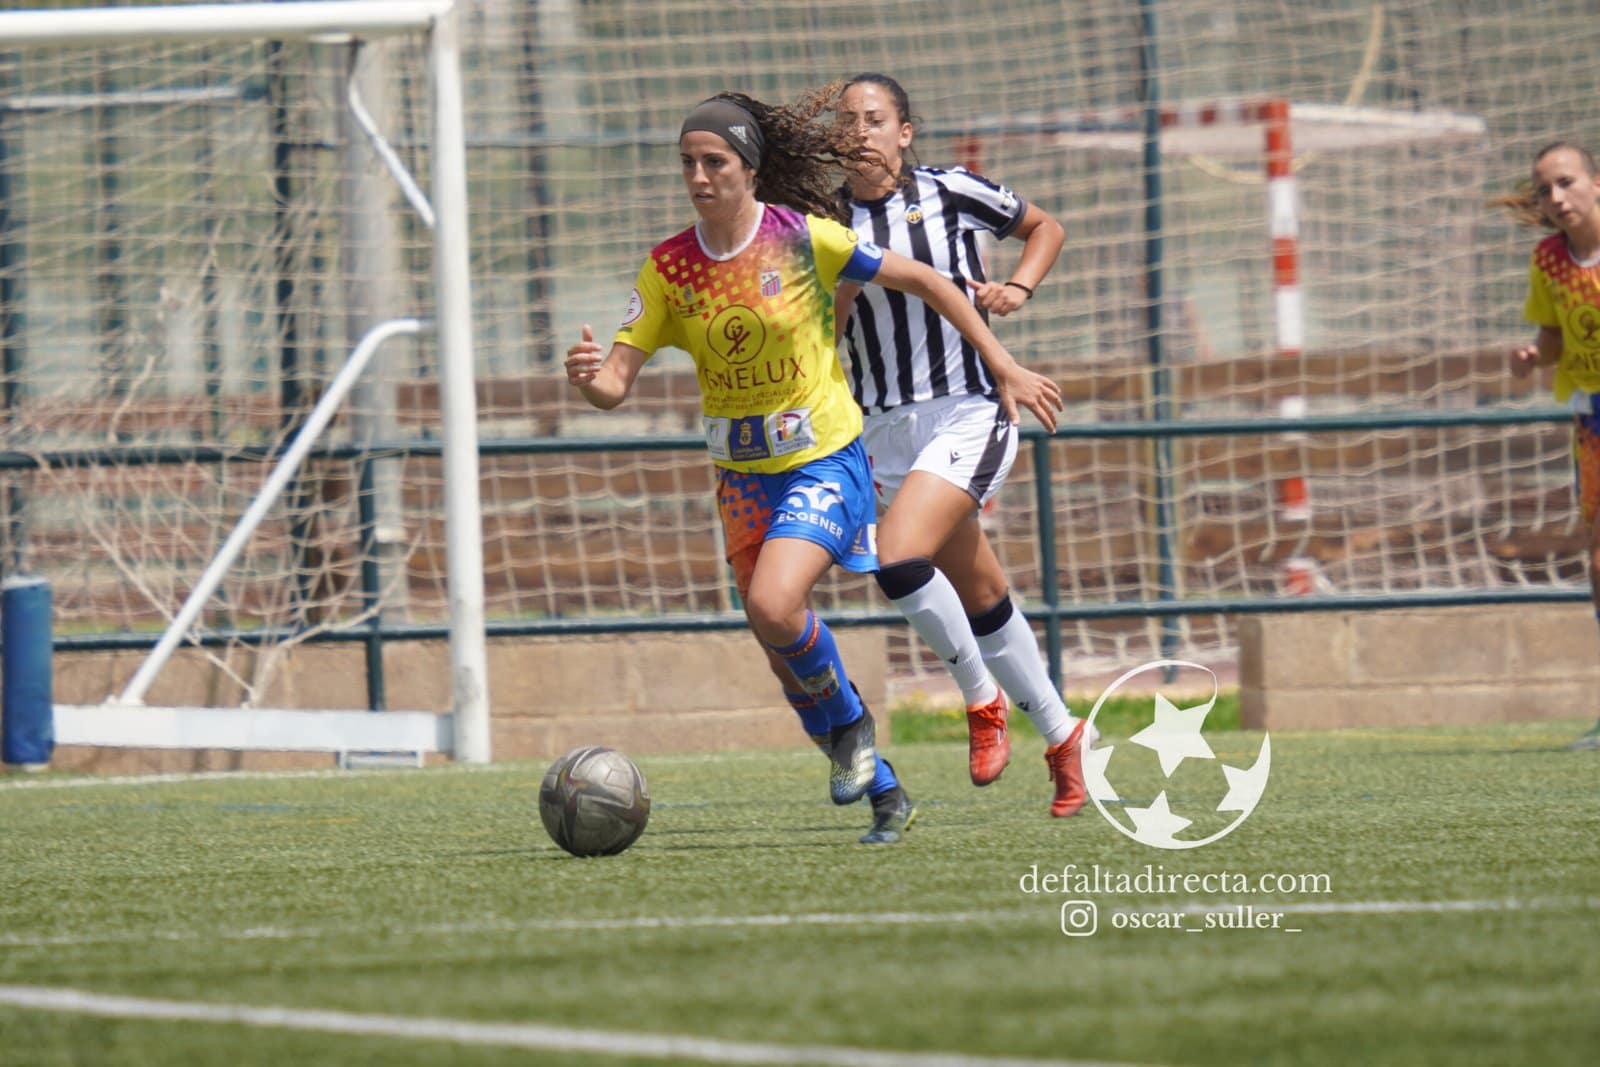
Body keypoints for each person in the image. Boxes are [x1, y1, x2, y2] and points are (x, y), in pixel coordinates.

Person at [564, 89, 1064, 842]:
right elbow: (613, 385)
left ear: (750, 168)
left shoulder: (804, 239)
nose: (698, 177)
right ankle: (885, 791)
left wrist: (1003, 364)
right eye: (688, 163)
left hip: (825, 459)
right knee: (782, 649)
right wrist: (587, 377)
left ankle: (871, 724)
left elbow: (930, 281)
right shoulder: (669, 268)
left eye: (715, 162)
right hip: (742, 479)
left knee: (776, 604)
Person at [833, 73, 1095, 814]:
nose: (859, 132)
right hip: (884, 429)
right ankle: (1065, 737)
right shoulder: (823, 222)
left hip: (970, 409)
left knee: (896, 556)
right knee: (981, 594)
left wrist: (1020, 287)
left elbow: (1045, 227)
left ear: (904, 132)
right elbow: (823, 332)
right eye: (847, 121)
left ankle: (980, 698)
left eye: (874, 119)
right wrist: (838, 294)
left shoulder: (948, 191)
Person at [1501, 139, 1600, 750]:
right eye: (1544, 190)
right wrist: (1534, 356)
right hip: (1592, 420)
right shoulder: (1549, 260)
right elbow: (1555, 338)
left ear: (1596, 182)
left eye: (1566, 182)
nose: (1556, 197)